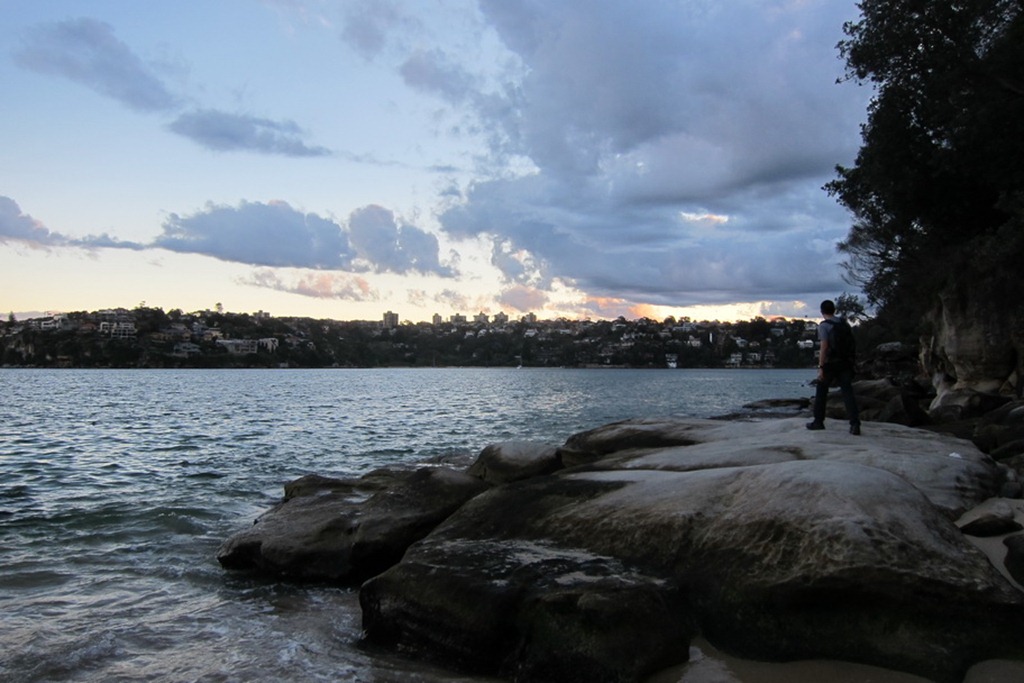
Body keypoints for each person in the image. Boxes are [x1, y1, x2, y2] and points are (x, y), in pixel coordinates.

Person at [807, 299, 861, 435]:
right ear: (834, 310)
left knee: (821, 391)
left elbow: (824, 347)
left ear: (822, 311)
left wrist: (821, 366)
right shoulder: (843, 324)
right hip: (845, 362)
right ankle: (855, 424)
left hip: (831, 363)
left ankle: (818, 422)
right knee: (848, 392)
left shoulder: (824, 326)